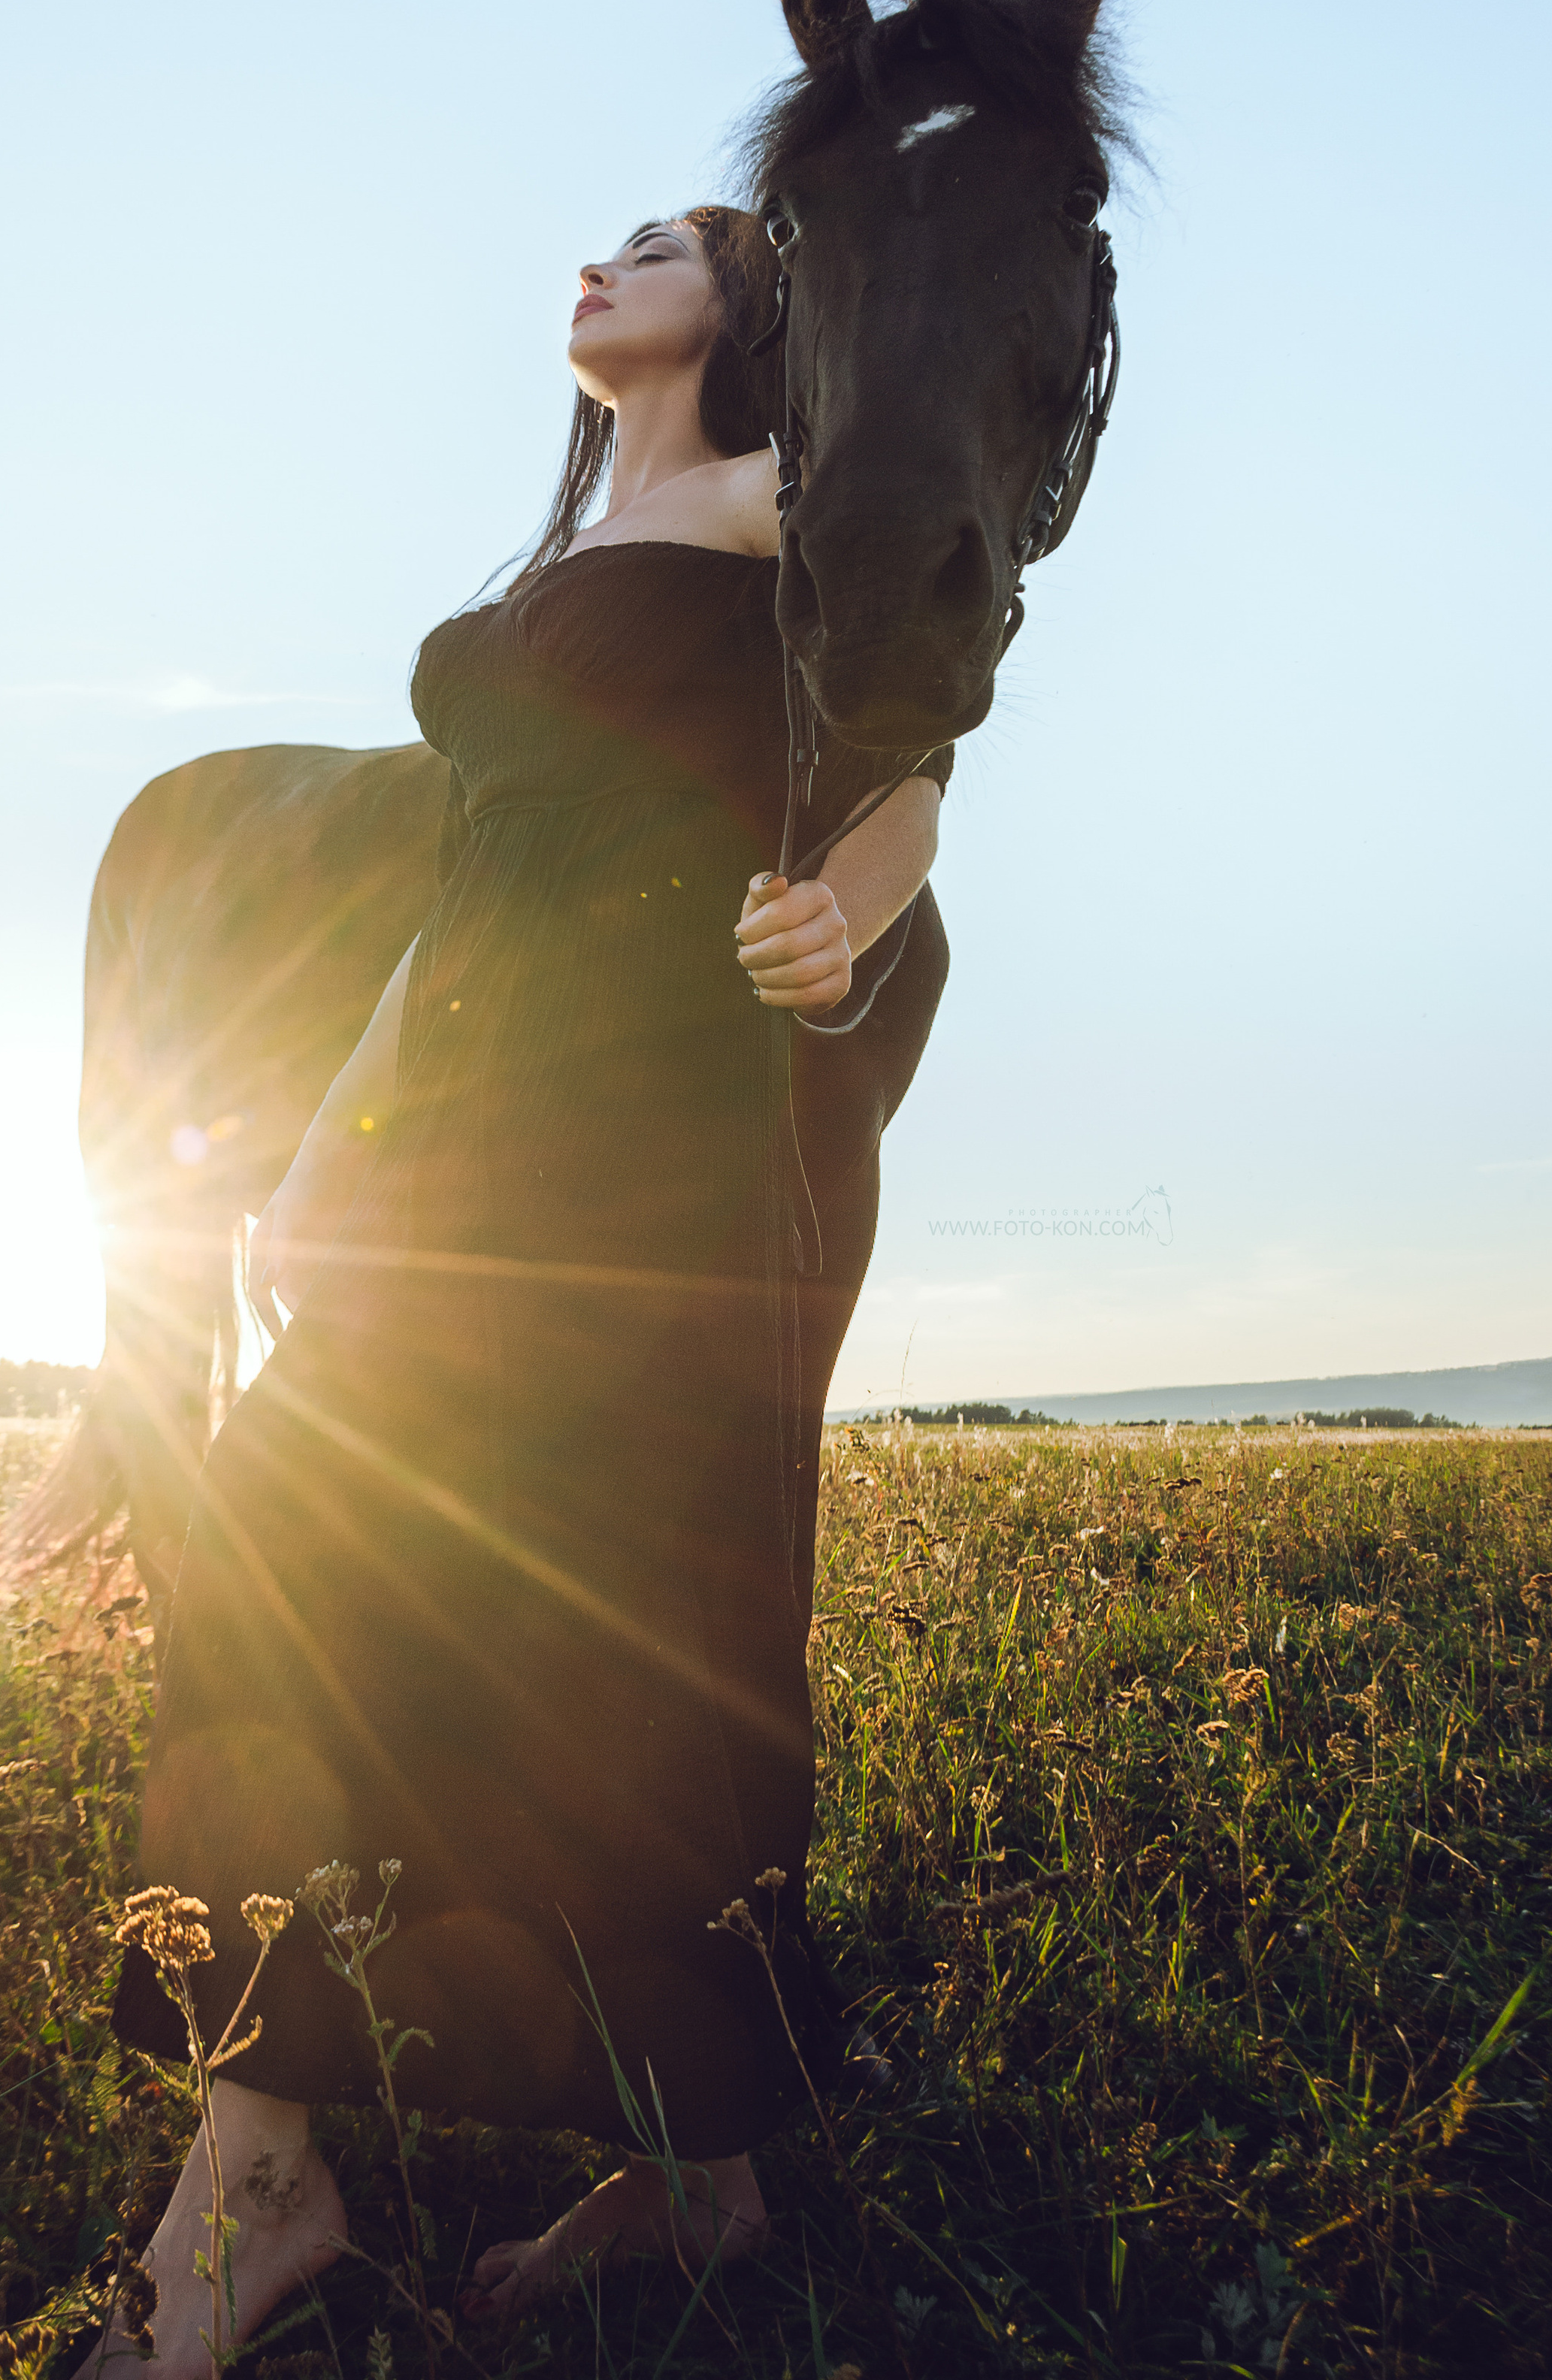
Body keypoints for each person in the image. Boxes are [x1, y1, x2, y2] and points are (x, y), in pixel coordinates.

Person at [79, 207, 945, 2375]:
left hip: (637, 1138)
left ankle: (356, 2176)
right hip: (457, 1118)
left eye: (655, 243)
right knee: (348, 1552)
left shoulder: (791, 499)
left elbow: (913, 756)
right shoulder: (598, 529)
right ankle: (603, 2169)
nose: (600, 254)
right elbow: (461, 893)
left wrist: (841, 914)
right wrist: (315, 1148)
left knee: (524, 1606)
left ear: (748, 311)